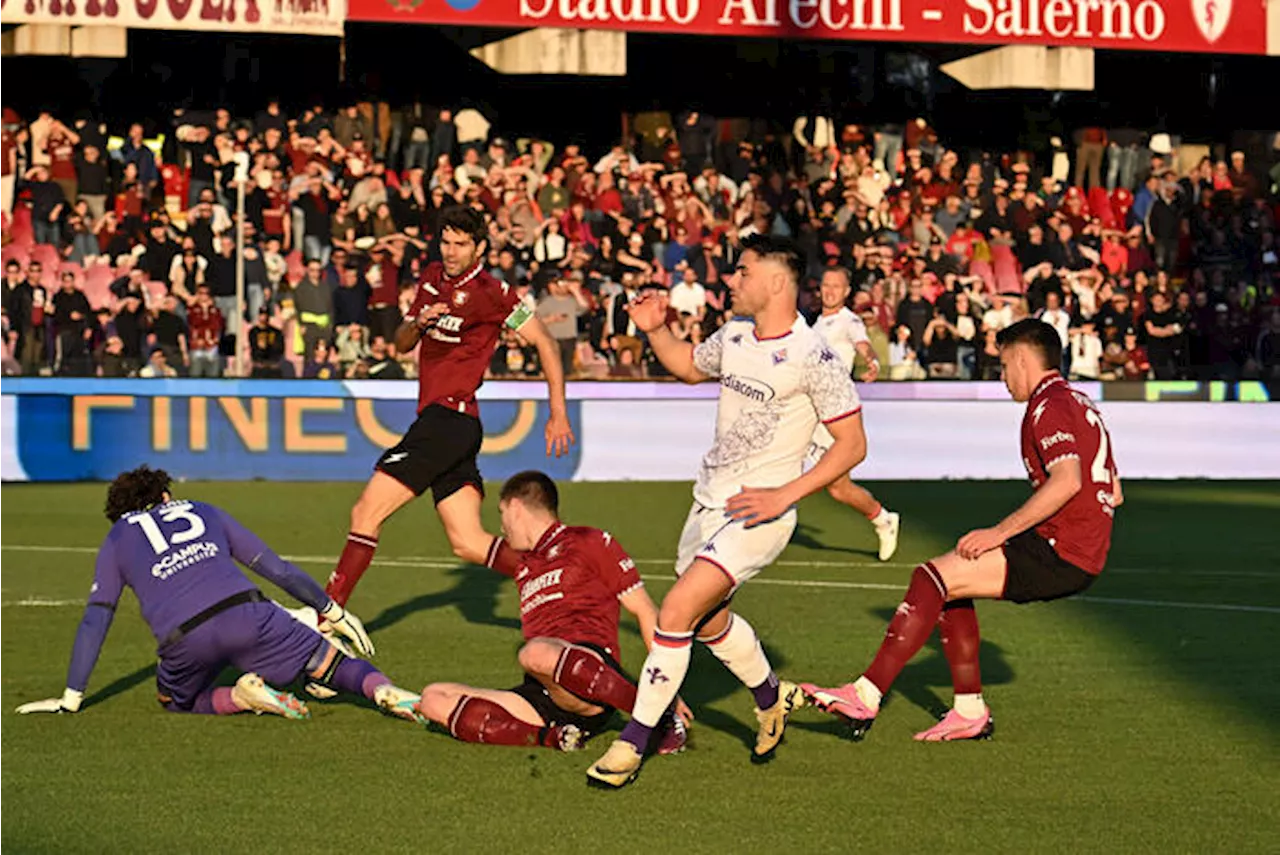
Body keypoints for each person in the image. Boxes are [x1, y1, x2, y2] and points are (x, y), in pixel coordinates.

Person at [586, 234, 868, 788]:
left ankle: (633, 742)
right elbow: (690, 367)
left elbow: (852, 445)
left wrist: (785, 495)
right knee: (708, 620)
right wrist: (655, 331)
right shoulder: (736, 334)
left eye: (742, 272)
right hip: (709, 502)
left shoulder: (816, 357)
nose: (731, 281)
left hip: (761, 513)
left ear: (777, 282)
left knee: (675, 612)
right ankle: (770, 699)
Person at [801, 319, 1121, 742]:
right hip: (1074, 546)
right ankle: (968, 711)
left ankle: (865, 696)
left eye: (1004, 365)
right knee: (947, 580)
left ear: (1023, 359)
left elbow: (1067, 481)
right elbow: (1113, 492)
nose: (1003, 377)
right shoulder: (1079, 402)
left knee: (930, 578)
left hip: (1061, 550)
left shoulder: (1048, 407)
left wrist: (1000, 533)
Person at [314, 207, 575, 618]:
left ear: (480, 248)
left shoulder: (495, 293)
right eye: (446, 243)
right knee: (468, 542)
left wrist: (557, 413)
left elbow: (546, 342)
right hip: (450, 424)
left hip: (449, 420)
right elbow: (401, 343)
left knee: (366, 512)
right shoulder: (432, 277)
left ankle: (325, 619)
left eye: (461, 244)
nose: (451, 252)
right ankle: (557, 573)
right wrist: (419, 322)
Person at [14, 466, 423, 724]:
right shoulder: (203, 510)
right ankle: (384, 690)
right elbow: (274, 568)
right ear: (165, 497)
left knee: (173, 700)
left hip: (185, 637)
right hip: (249, 612)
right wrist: (329, 607)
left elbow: (96, 616)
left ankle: (243, 697)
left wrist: (71, 697)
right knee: (331, 665)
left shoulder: (119, 535)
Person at [418, 471, 689, 754]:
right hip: (543, 691)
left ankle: (655, 717)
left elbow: (645, 611)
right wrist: (448, 469)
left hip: (591, 671)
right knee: (433, 698)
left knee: (534, 653)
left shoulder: (588, 541)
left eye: (501, 514)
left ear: (515, 507)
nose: (501, 526)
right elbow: (466, 543)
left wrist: (665, 689)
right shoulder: (521, 560)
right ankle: (554, 737)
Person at [809, 267, 900, 561]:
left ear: (846, 291)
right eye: (826, 285)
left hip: (834, 411)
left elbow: (862, 344)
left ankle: (883, 519)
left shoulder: (849, 320)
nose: (830, 291)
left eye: (836, 286)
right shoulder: (814, 324)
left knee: (838, 489)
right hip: (808, 408)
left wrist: (871, 360)